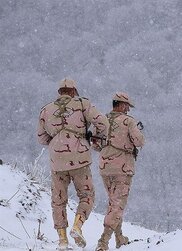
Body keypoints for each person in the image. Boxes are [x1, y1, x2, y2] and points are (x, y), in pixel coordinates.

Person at [37, 78, 109, 250]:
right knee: (87, 195)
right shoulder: (82, 104)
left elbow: (41, 138)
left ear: (59, 92)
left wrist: (57, 142)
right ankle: (77, 226)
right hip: (80, 159)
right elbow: (103, 122)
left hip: (57, 162)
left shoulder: (46, 109)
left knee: (58, 200)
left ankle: (62, 240)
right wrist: (97, 140)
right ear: (74, 91)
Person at [93, 92, 145, 251]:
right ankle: (103, 241)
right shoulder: (129, 122)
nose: (128, 109)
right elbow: (139, 141)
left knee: (113, 202)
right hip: (122, 168)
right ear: (122, 105)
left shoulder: (101, 120)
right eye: (127, 106)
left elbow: (95, 145)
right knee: (117, 204)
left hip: (105, 167)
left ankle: (119, 237)